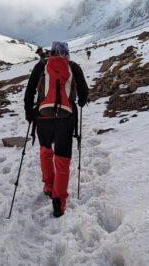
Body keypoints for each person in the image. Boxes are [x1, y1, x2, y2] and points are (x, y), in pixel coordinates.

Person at [24, 41, 89, 217]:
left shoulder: (41, 65)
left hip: (43, 117)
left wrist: (29, 113)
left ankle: (48, 185)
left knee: (45, 151)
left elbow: (29, 91)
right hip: (65, 119)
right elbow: (84, 95)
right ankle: (59, 200)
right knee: (62, 158)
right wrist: (79, 102)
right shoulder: (73, 67)